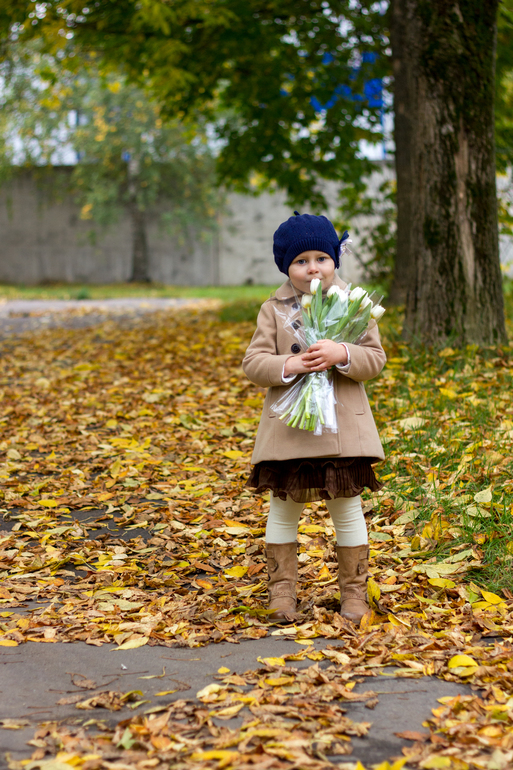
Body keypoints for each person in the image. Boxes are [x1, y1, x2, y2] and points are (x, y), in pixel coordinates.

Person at [242, 212, 386, 624]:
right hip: (291, 429)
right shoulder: (273, 309)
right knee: (284, 509)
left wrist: (343, 354)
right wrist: (291, 364)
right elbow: (253, 363)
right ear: (286, 266)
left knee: (347, 508)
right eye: (300, 260)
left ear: (335, 260)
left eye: (321, 257)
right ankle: (281, 593)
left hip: (342, 428)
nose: (312, 268)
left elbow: (375, 359)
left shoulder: (355, 303)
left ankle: (354, 595)